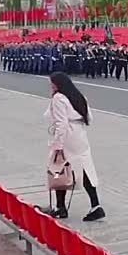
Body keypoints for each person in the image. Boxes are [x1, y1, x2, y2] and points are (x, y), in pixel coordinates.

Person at [41, 72, 105, 221]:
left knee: (59, 168)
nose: (51, 86)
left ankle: (60, 207)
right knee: (85, 168)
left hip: (68, 136)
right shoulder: (78, 96)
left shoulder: (59, 98)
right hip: (80, 134)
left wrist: (57, 145)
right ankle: (95, 205)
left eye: (52, 83)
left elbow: (61, 123)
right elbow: (90, 117)